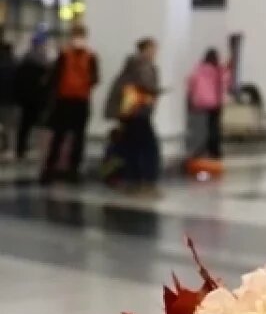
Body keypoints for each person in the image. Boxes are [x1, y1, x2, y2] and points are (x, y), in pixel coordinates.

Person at [104, 38, 164, 194]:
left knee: (132, 147)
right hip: (137, 112)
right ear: (144, 50)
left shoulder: (133, 66)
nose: (154, 53)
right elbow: (146, 86)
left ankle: (133, 180)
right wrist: (155, 92)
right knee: (149, 147)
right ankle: (146, 181)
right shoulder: (142, 66)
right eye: (152, 49)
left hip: (131, 112)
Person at [41, 24, 99, 184]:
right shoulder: (87, 56)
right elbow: (95, 79)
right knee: (72, 136)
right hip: (75, 100)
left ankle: (53, 168)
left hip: (69, 100)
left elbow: (53, 77)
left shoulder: (66, 54)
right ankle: (69, 169)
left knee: (63, 136)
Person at [13, 36, 51, 162]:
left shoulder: (24, 61)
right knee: (35, 125)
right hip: (37, 100)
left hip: (25, 100)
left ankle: (21, 149)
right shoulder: (44, 64)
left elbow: (17, 82)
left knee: (24, 125)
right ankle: (30, 149)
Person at [186, 48, 227, 160]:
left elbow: (190, 83)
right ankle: (214, 151)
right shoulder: (218, 70)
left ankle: (200, 150)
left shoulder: (198, 69)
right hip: (215, 103)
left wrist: (191, 98)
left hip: (200, 103)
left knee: (200, 128)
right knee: (214, 127)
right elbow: (225, 83)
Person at [0, 38, 17, 160]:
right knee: (7, 125)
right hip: (9, 100)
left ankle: (5, 147)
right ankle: (7, 148)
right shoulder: (14, 64)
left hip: (4, 98)